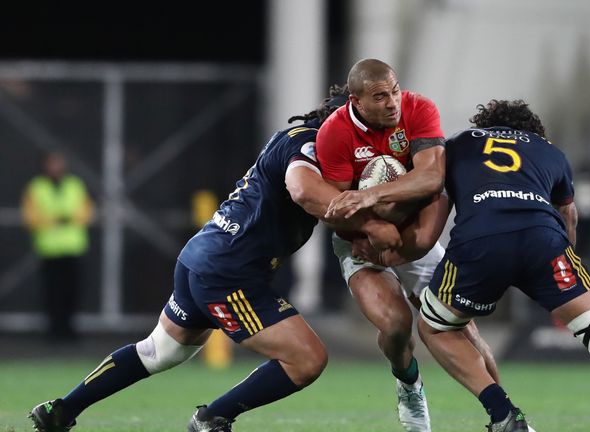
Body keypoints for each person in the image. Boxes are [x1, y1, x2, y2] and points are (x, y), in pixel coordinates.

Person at [28, 85, 402, 432]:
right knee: (307, 359)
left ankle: (61, 410)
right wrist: (370, 225)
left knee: (159, 351)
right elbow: (304, 189)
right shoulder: (308, 144)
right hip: (230, 273)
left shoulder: (303, 141)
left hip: (203, 256)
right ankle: (212, 419)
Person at [359, 99, 590, 432]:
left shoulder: (457, 144)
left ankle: (503, 415)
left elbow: (431, 225)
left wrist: (396, 252)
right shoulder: (551, 153)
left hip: (482, 241)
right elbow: (569, 217)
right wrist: (563, 272)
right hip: (545, 243)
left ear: (484, 124)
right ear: (531, 131)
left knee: (435, 328)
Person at [316, 58, 499, 432]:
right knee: (396, 324)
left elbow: (432, 178)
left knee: (466, 333)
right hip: (360, 246)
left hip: (414, 237)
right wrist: (370, 226)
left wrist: (371, 198)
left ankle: (507, 414)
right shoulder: (333, 133)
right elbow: (335, 209)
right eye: (380, 96)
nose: (392, 102)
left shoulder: (418, 109)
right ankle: (409, 384)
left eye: (395, 91)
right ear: (357, 100)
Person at [21, 152, 93, 342]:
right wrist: (57, 218)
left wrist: (65, 218)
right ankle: (54, 331)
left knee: (72, 292)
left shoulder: (75, 185)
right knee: (51, 293)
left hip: (73, 247)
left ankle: (69, 330)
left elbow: (86, 211)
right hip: (49, 249)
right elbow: (30, 216)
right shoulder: (37, 187)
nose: (55, 167)